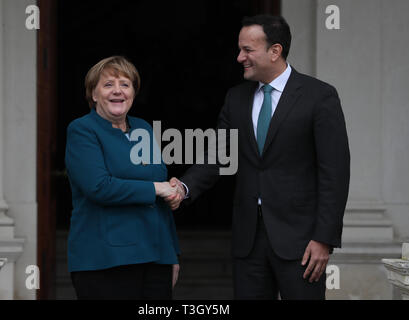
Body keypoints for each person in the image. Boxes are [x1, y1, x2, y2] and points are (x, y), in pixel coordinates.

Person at [167, 15, 350, 300]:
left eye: (247, 50)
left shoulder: (319, 96)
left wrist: (324, 238)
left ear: (275, 51)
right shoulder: (236, 98)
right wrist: (184, 187)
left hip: (302, 242)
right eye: (240, 50)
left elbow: (335, 174)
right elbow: (217, 155)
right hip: (248, 241)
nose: (240, 57)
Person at [65, 56, 181, 299]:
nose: (118, 91)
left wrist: (172, 255)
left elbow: (160, 192)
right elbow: (99, 187)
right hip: (106, 260)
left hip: (156, 257)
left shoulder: (143, 129)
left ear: (133, 93)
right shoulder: (82, 130)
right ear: (93, 94)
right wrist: (157, 188)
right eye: (108, 85)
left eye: (125, 84)